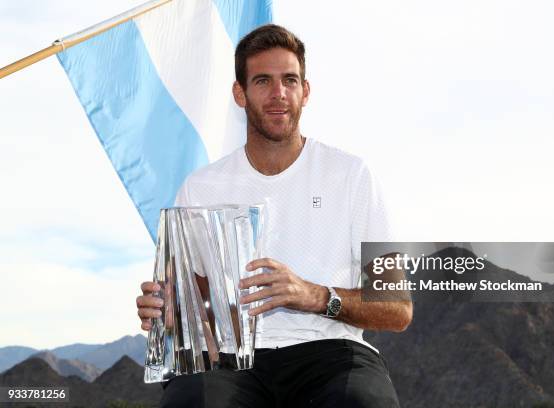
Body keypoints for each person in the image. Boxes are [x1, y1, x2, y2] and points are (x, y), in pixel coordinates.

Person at [136, 24, 412, 408]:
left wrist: (316, 296)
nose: (279, 93)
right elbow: (189, 305)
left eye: (290, 80)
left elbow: (397, 308)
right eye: (263, 81)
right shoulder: (201, 187)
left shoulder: (352, 174)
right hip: (232, 361)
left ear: (305, 91)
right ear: (240, 93)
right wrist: (167, 309)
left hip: (331, 351)